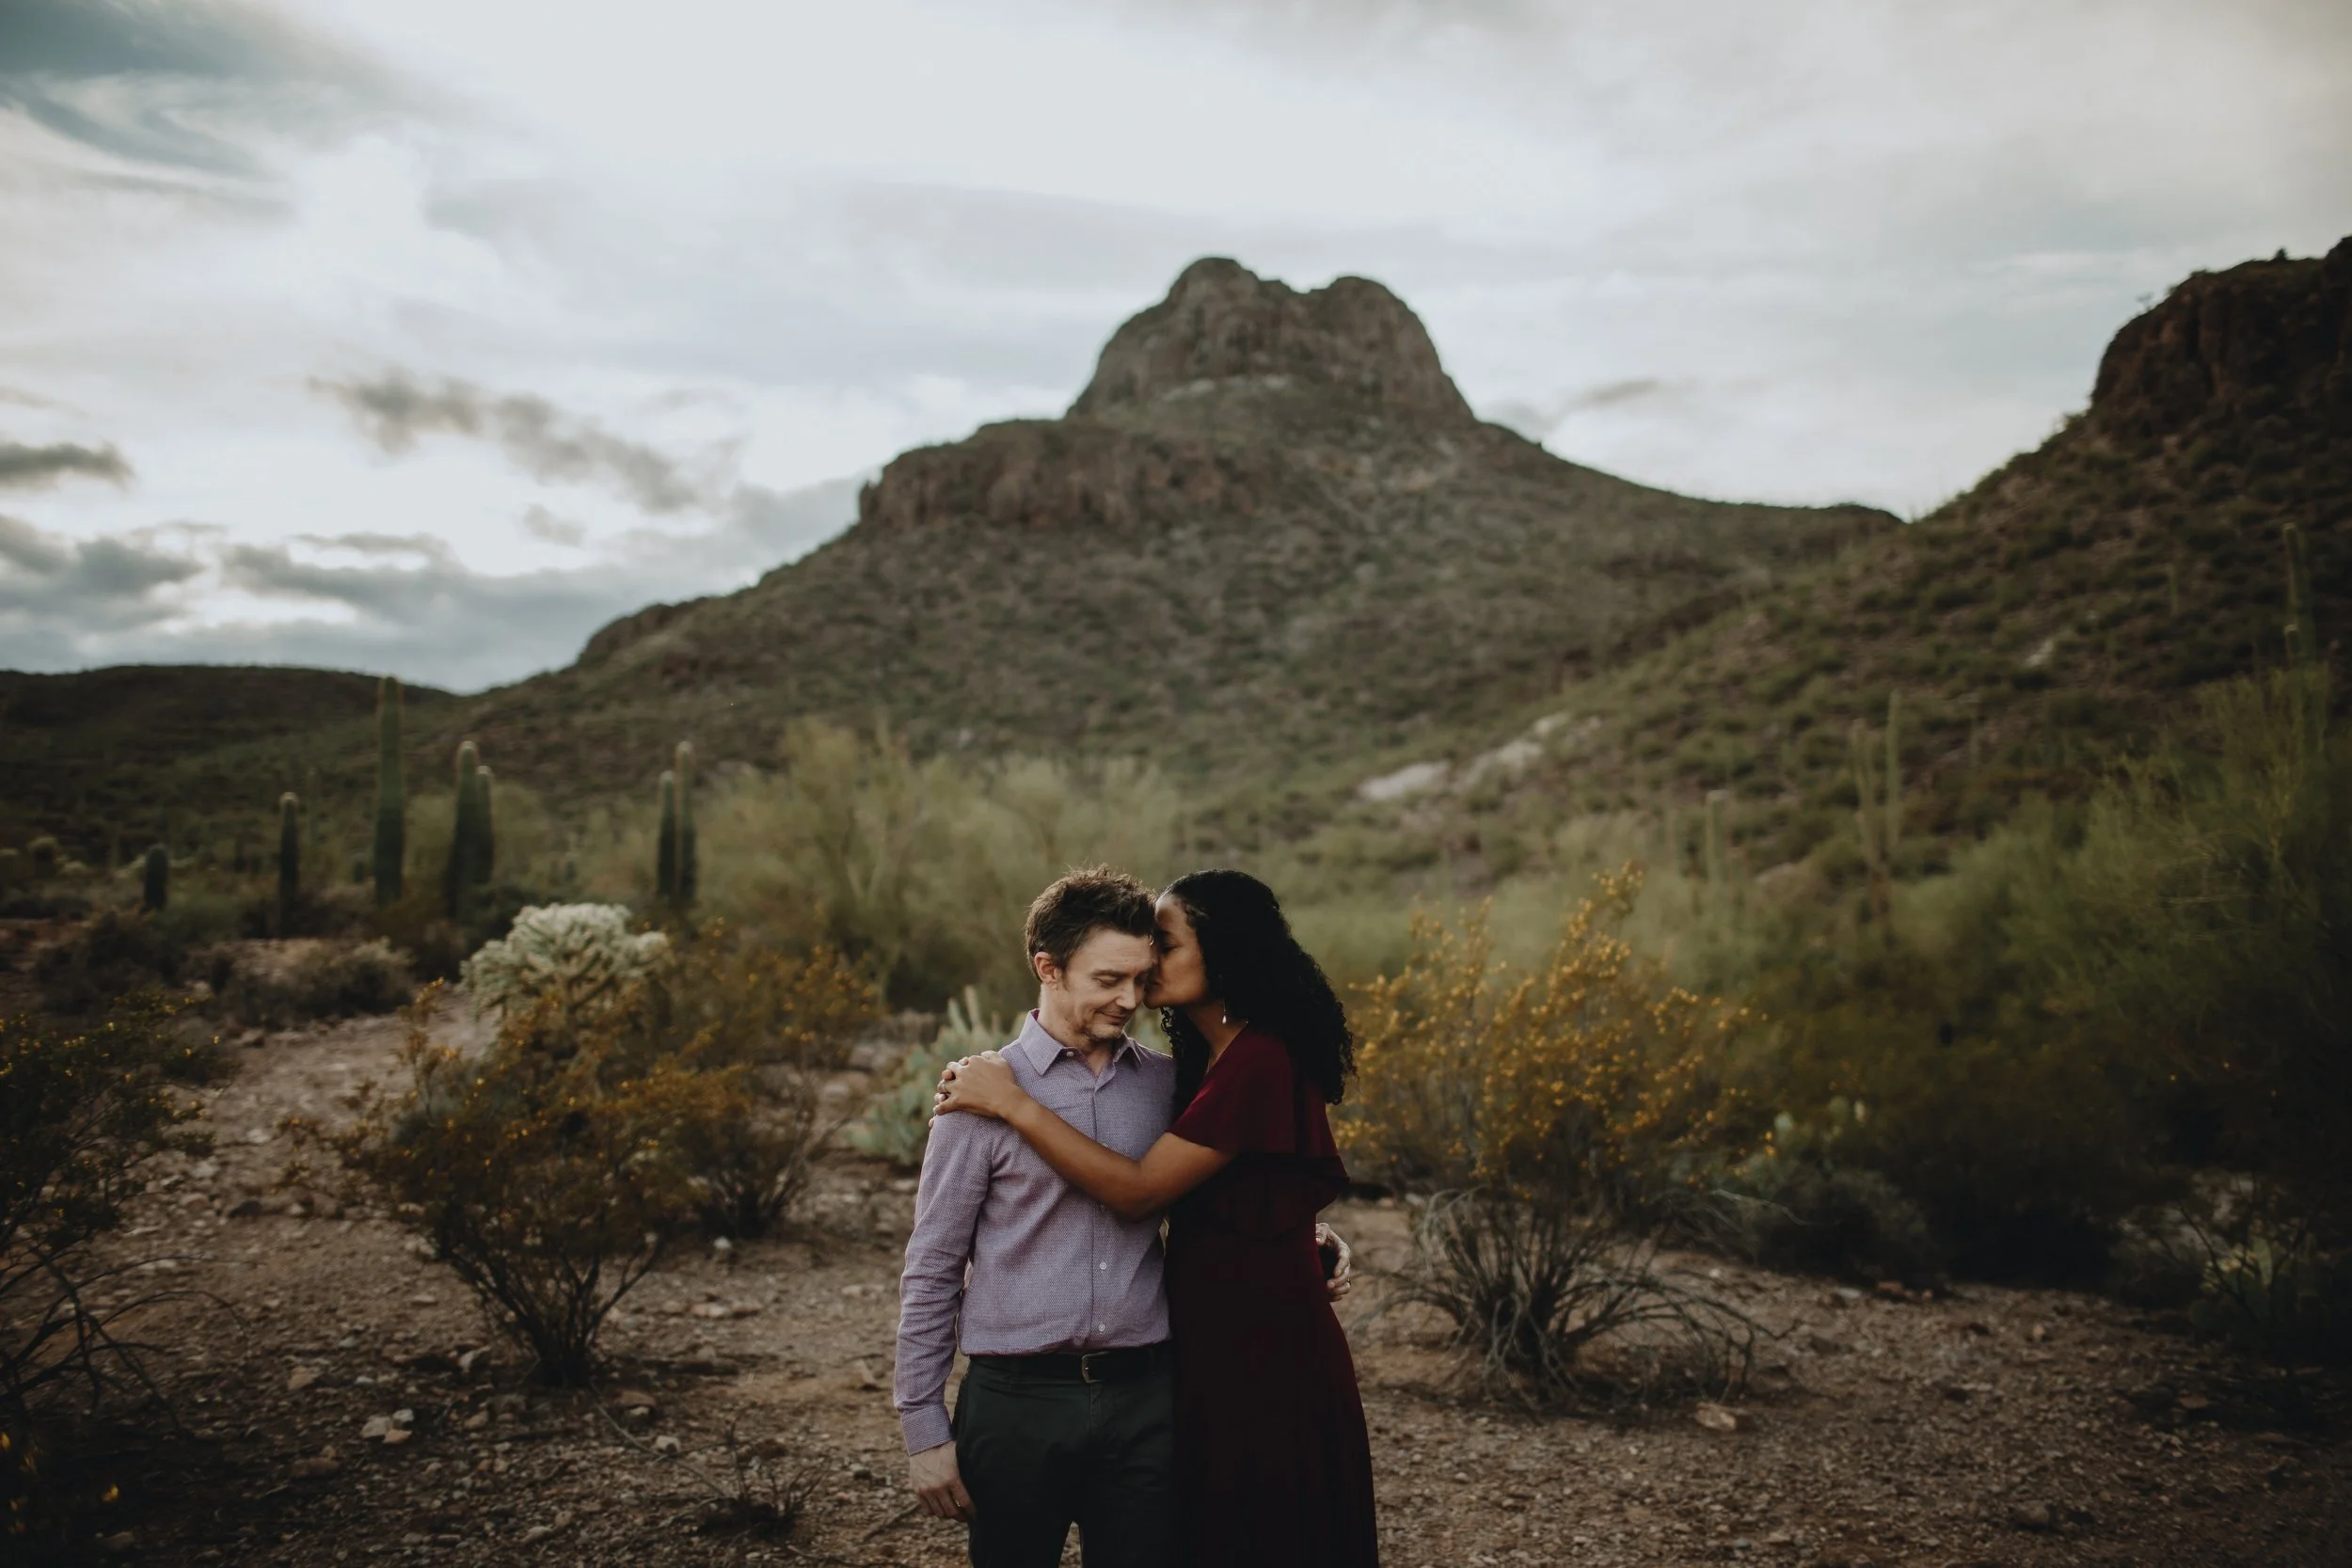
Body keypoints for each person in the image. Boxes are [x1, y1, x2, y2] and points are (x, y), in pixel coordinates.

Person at [893, 866, 1355, 1568]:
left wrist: (1296, 1241)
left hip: (1149, 1396)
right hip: (1016, 1400)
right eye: (1110, 979)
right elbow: (931, 1266)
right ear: (1048, 967)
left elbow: (1203, 1184)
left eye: (1142, 976)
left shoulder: (1169, 1084)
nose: (1132, 997)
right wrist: (923, 1429)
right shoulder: (979, 1095)